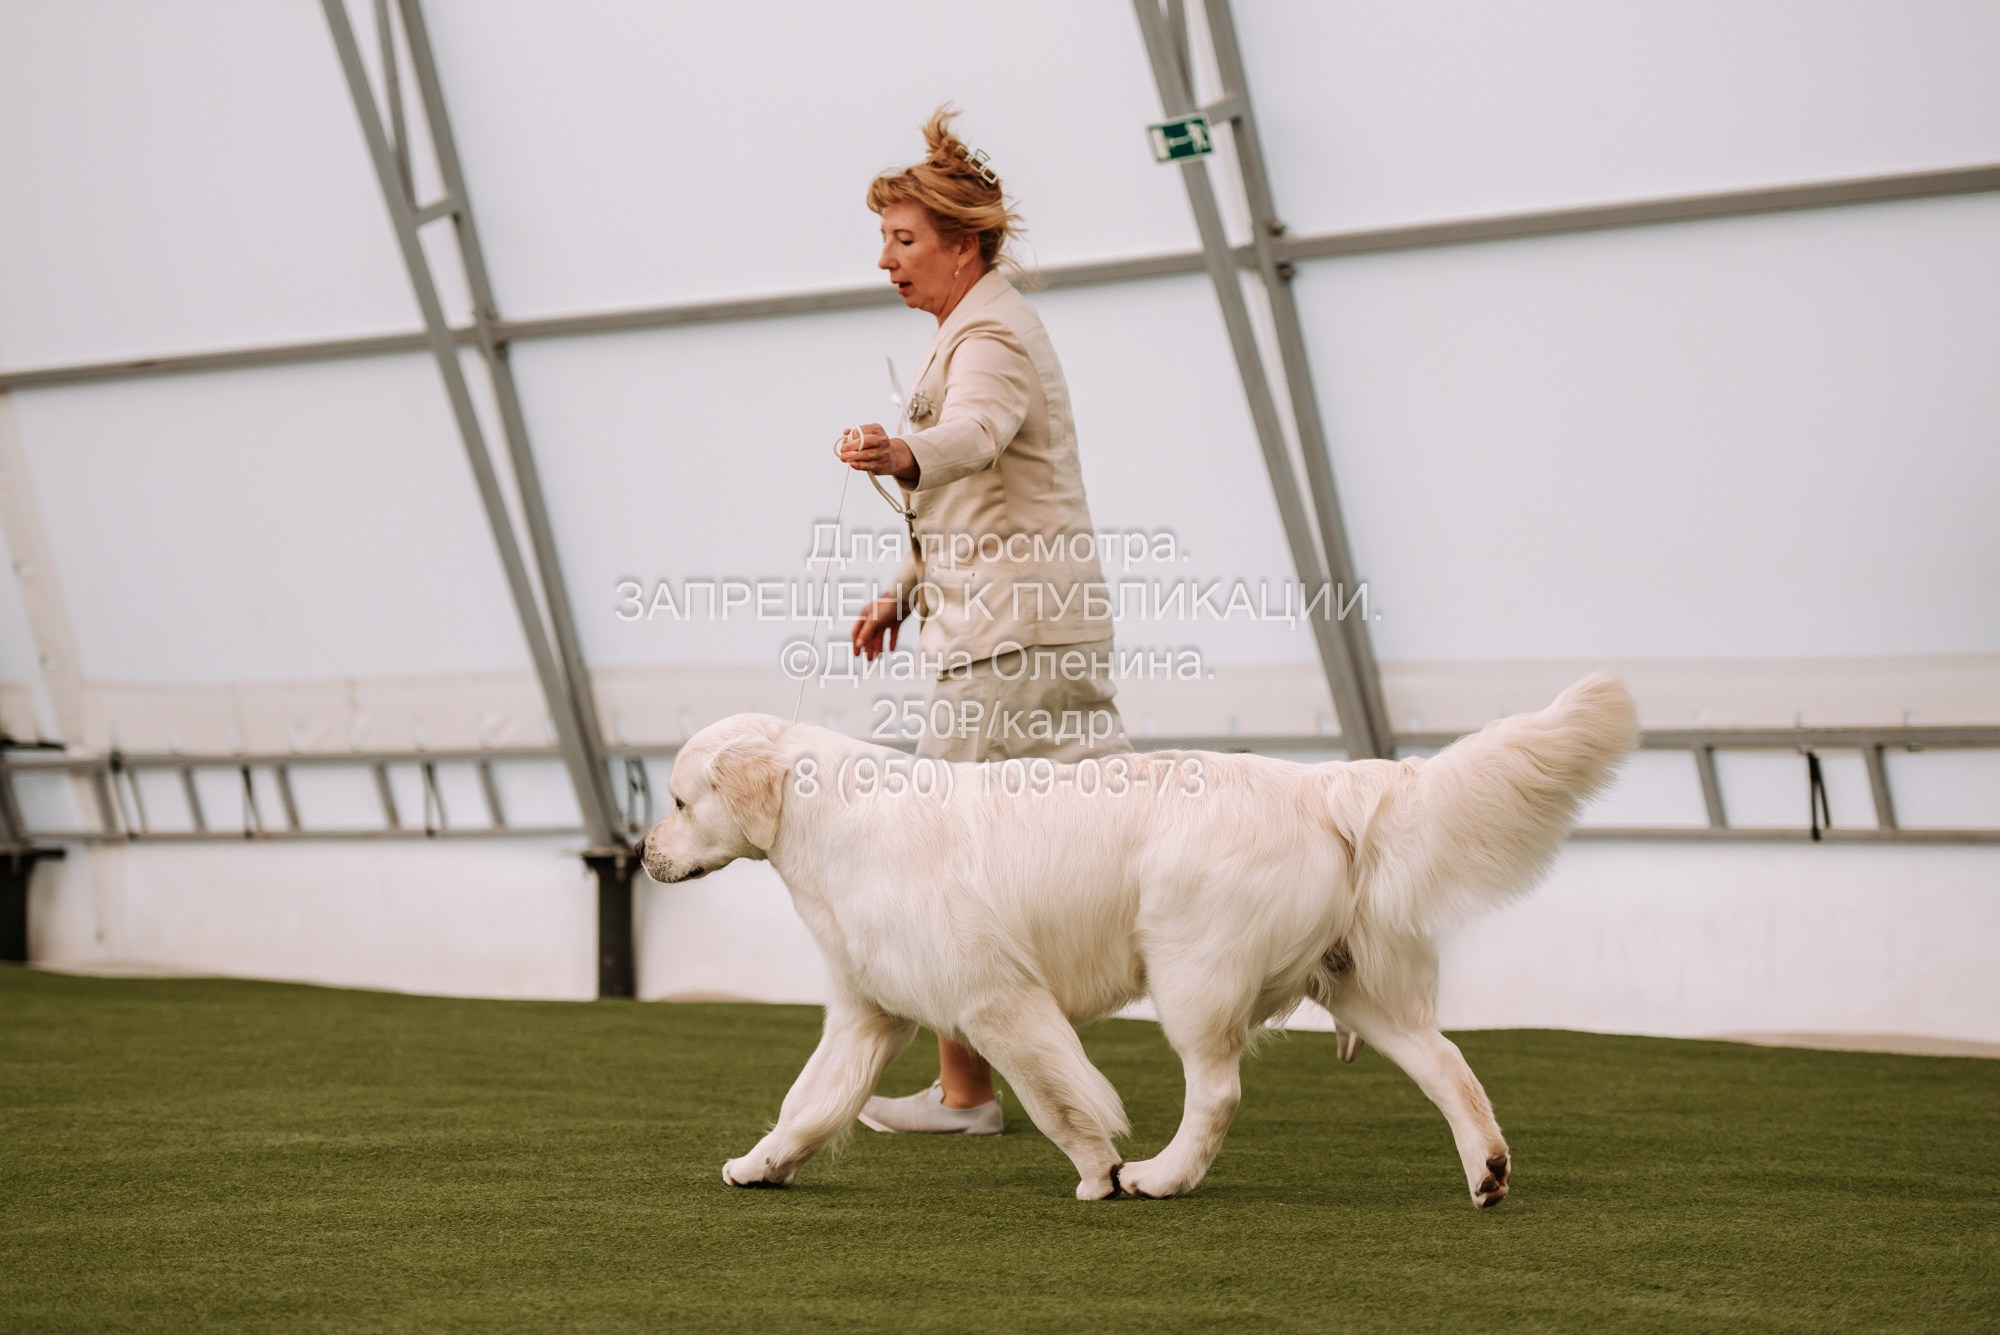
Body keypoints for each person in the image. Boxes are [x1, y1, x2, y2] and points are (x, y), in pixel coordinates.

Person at [837, 108, 1132, 1135]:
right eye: (883, 240)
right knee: (1101, 837)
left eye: (903, 240)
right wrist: (899, 590)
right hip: (1027, 631)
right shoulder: (969, 329)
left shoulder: (992, 334)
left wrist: (904, 455)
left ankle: (967, 1096)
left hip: (1005, 644)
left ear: (963, 244)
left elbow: (972, 440)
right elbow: (971, 496)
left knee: (942, 857)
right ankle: (1318, 946)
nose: (885, 261)